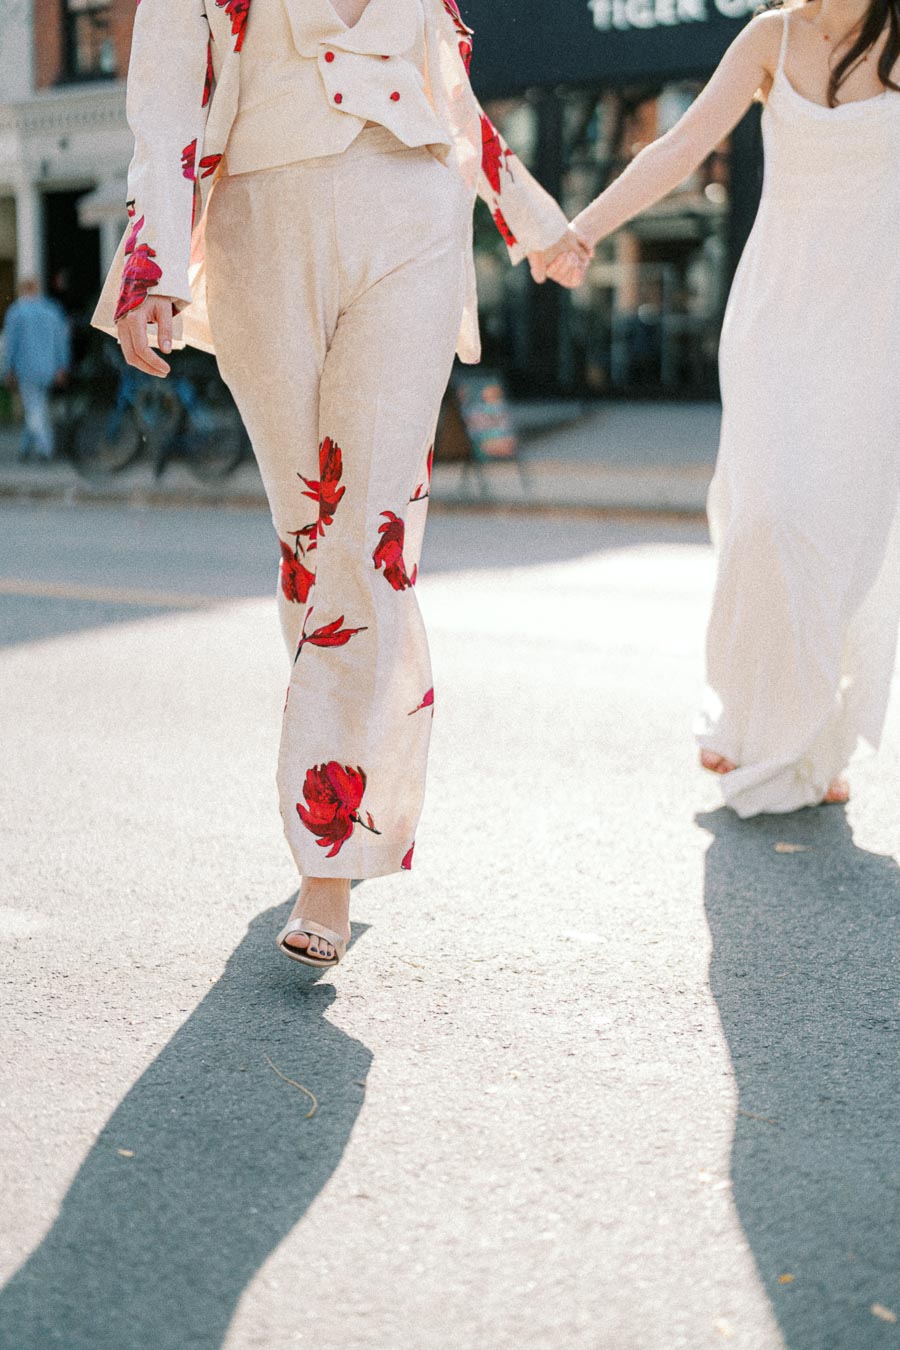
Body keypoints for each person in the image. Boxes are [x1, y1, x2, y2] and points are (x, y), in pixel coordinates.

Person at [91, 0, 590, 968]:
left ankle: (328, 854)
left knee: (370, 531)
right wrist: (151, 266)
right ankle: (344, 786)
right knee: (313, 536)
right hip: (263, 226)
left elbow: (449, 92)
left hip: (414, 218)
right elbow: (165, 108)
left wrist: (531, 219)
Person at [555, 0, 900, 818]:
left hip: (873, 325)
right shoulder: (771, 35)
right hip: (777, 318)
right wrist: (582, 228)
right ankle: (749, 717)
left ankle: (817, 740)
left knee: (841, 535)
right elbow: (678, 148)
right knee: (764, 520)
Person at [2, 277, 71, 463]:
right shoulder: (52, 310)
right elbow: (61, 340)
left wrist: (8, 369)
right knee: (37, 406)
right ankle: (25, 449)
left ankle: (46, 448)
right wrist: (62, 366)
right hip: (49, 367)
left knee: (33, 408)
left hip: (26, 368)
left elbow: (11, 345)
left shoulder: (16, 312)